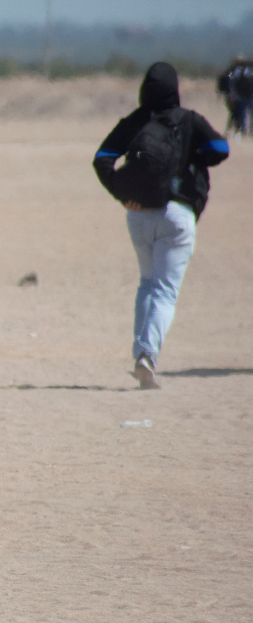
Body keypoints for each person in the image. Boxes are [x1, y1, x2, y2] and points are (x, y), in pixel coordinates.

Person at [93, 62, 230, 388]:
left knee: (147, 282)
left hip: (138, 214)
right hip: (177, 215)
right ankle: (147, 356)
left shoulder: (135, 122)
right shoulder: (189, 121)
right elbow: (220, 148)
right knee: (165, 292)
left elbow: (102, 158)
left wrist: (121, 193)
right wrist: (194, 151)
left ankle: (141, 353)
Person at [217, 57, 253, 137]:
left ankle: (241, 131)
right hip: (242, 97)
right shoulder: (242, 72)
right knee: (239, 114)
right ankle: (241, 131)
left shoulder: (235, 72)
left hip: (240, 96)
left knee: (239, 114)